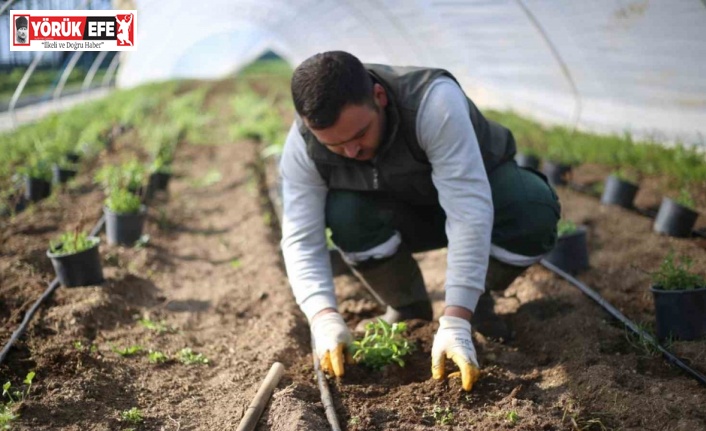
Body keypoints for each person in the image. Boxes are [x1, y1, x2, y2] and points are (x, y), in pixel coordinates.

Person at [280, 51, 560, 391]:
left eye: (359, 135)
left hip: (481, 199)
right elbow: (301, 238)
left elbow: (467, 210)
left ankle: (478, 302)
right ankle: (407, 308)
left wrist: (456, 318)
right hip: (400, 213)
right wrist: (323, 318)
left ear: (378, 97)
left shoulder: (433, 103)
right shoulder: (303, 147)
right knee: (345, 213)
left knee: (532, 209)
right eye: (335, 145)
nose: (351, 151)